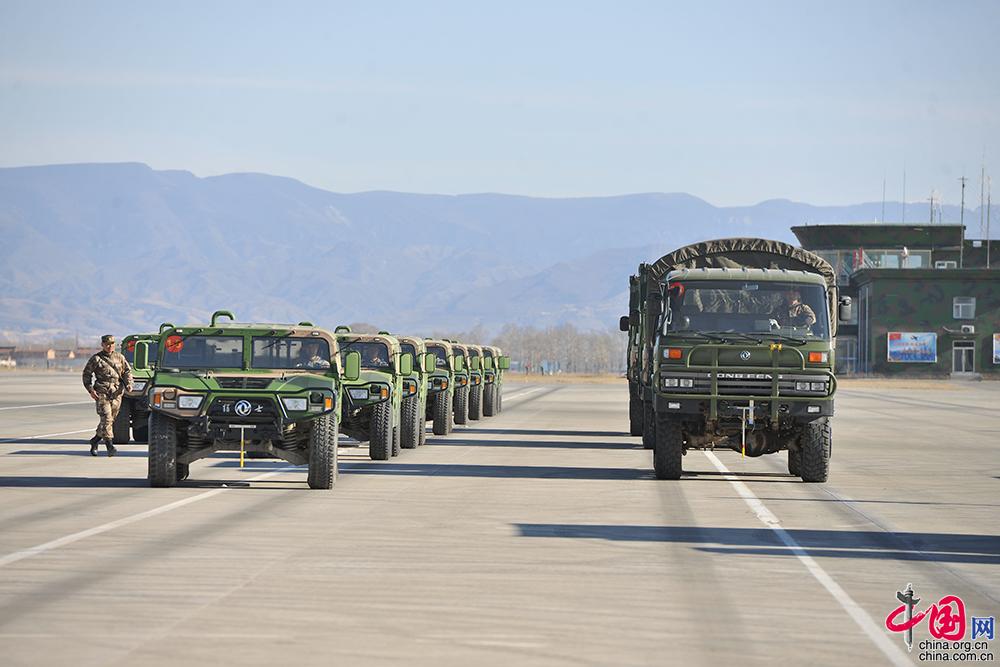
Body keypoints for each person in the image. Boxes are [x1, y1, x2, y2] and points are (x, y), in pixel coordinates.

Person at [82, 334, 133, 456]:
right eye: (107, 344)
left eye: (112, 344)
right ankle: (110, 446)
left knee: (110, 420)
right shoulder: (96, 359)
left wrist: (129, 383)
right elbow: (86, 374)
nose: (110, 346)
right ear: (102, 345)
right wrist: (90, 390)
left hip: (116, 393)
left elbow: (127, 371)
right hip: (102, 392)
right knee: (107, 418)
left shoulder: (120, 357)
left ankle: (95, 440)